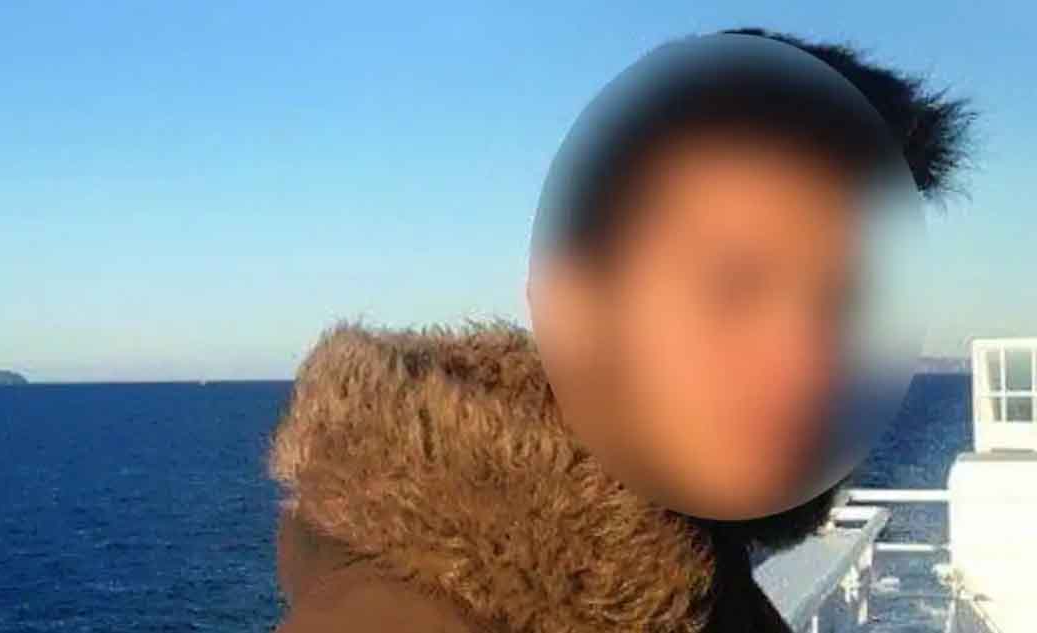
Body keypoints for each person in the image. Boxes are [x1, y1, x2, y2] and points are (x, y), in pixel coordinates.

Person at [267, 27, 973, 633]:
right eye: (733, 287)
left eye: (841, 304)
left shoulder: (694, 569)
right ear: (573, 308)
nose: (807, 365)